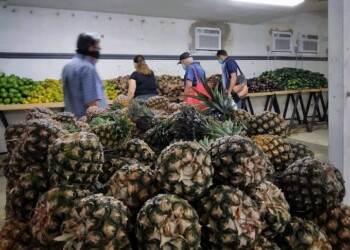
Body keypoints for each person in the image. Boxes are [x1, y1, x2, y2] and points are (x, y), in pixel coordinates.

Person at [62, 32, 107, 118]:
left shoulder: (68, 65)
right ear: (90, 48)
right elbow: (91, 102)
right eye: (97, 48)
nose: (98, 52)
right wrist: (104, 119)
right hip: (85, 123)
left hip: (71, 120)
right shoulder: (87, 68)